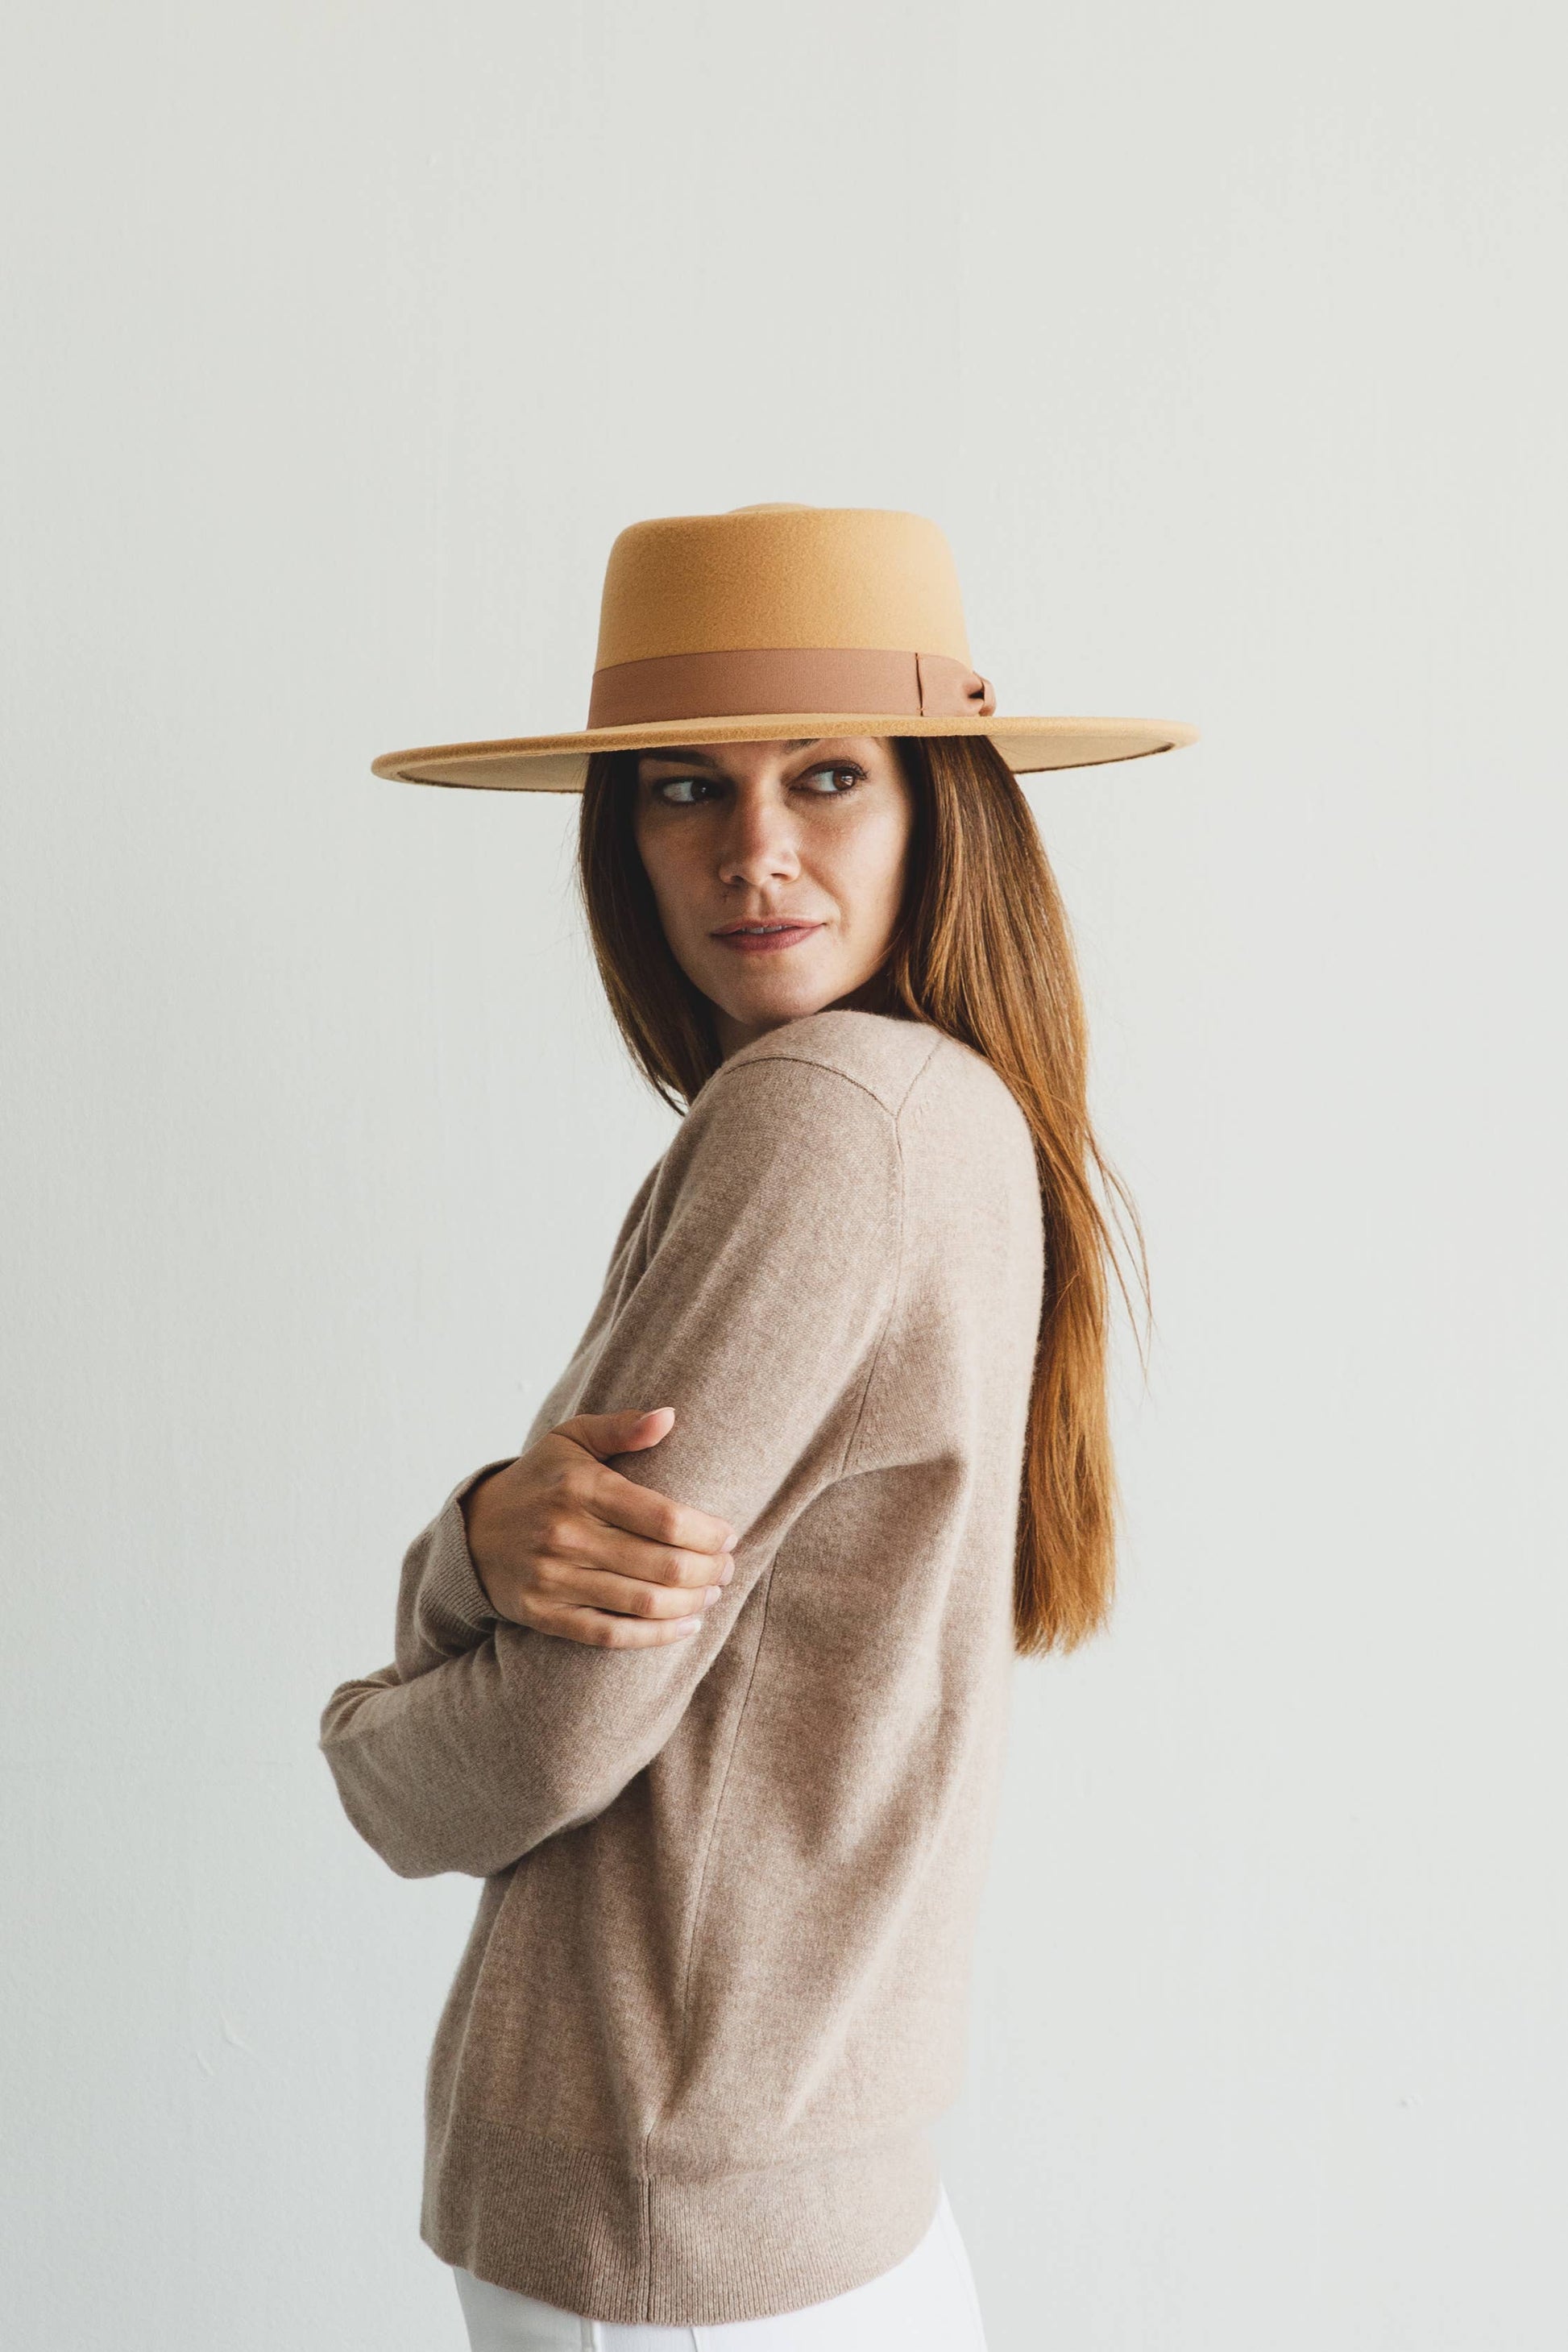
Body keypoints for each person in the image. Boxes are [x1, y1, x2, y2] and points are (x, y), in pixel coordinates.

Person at [317, 504, 1197, 2350]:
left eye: (825, 777)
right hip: (810, 2207)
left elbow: (543, 1733)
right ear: (616, 836)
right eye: (678, 790)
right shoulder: (953, 1110)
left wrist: (367, 1730)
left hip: (662, 2210)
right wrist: (478, 1535)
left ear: (939, 804)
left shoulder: (822, 1114)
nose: (755, 853)